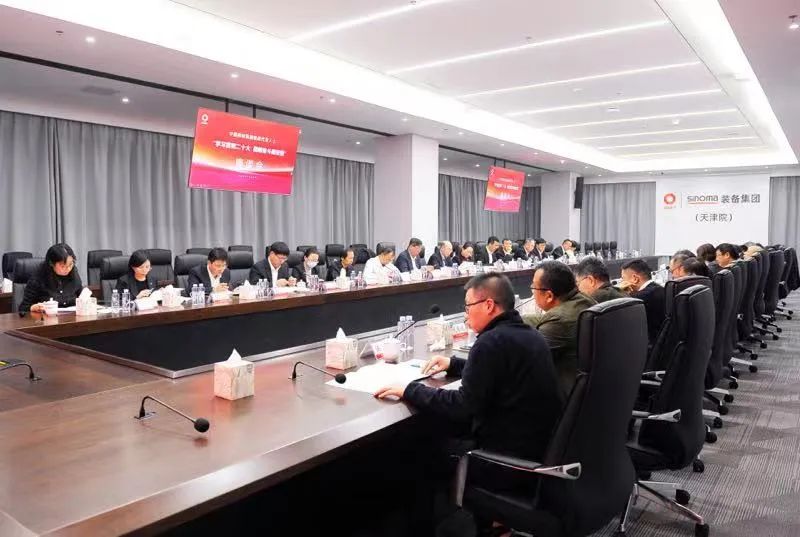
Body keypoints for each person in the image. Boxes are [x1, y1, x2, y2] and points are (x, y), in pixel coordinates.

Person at [374, 273, 564, 461]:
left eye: (468, 306)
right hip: (535, 446)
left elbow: (463, 406)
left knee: (417, 441)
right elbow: (498, 372)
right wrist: (454, 364)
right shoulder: (529, 334)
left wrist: (410, 390)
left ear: (488, 305)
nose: (466, 314)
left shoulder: (490, 342)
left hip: (503, 456)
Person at [522, 261, 596, 395]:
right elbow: (542, 319)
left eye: (534, 286)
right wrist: (511, 318)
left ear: (549, 296)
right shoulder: (583, 300)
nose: (532, 289)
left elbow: (527, 361)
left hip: (563, 396)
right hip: (593, 390)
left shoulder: (558, 321)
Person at [19, 243, 83, 313]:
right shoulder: (38, 277)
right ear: (51, 264)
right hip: (47, 318)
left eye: (70, 264)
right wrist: (33, 308)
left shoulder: (73, 272)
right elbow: (23, 308)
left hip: (72, 317)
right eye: (63, 266)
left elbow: (81, 295)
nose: (68, 269)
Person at [620, 259, 665, 346]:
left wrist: (622, 291)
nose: (622, 282)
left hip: (649, 345)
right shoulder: (660, 288)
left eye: (623, 279)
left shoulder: (638, 299)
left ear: (635, 278)